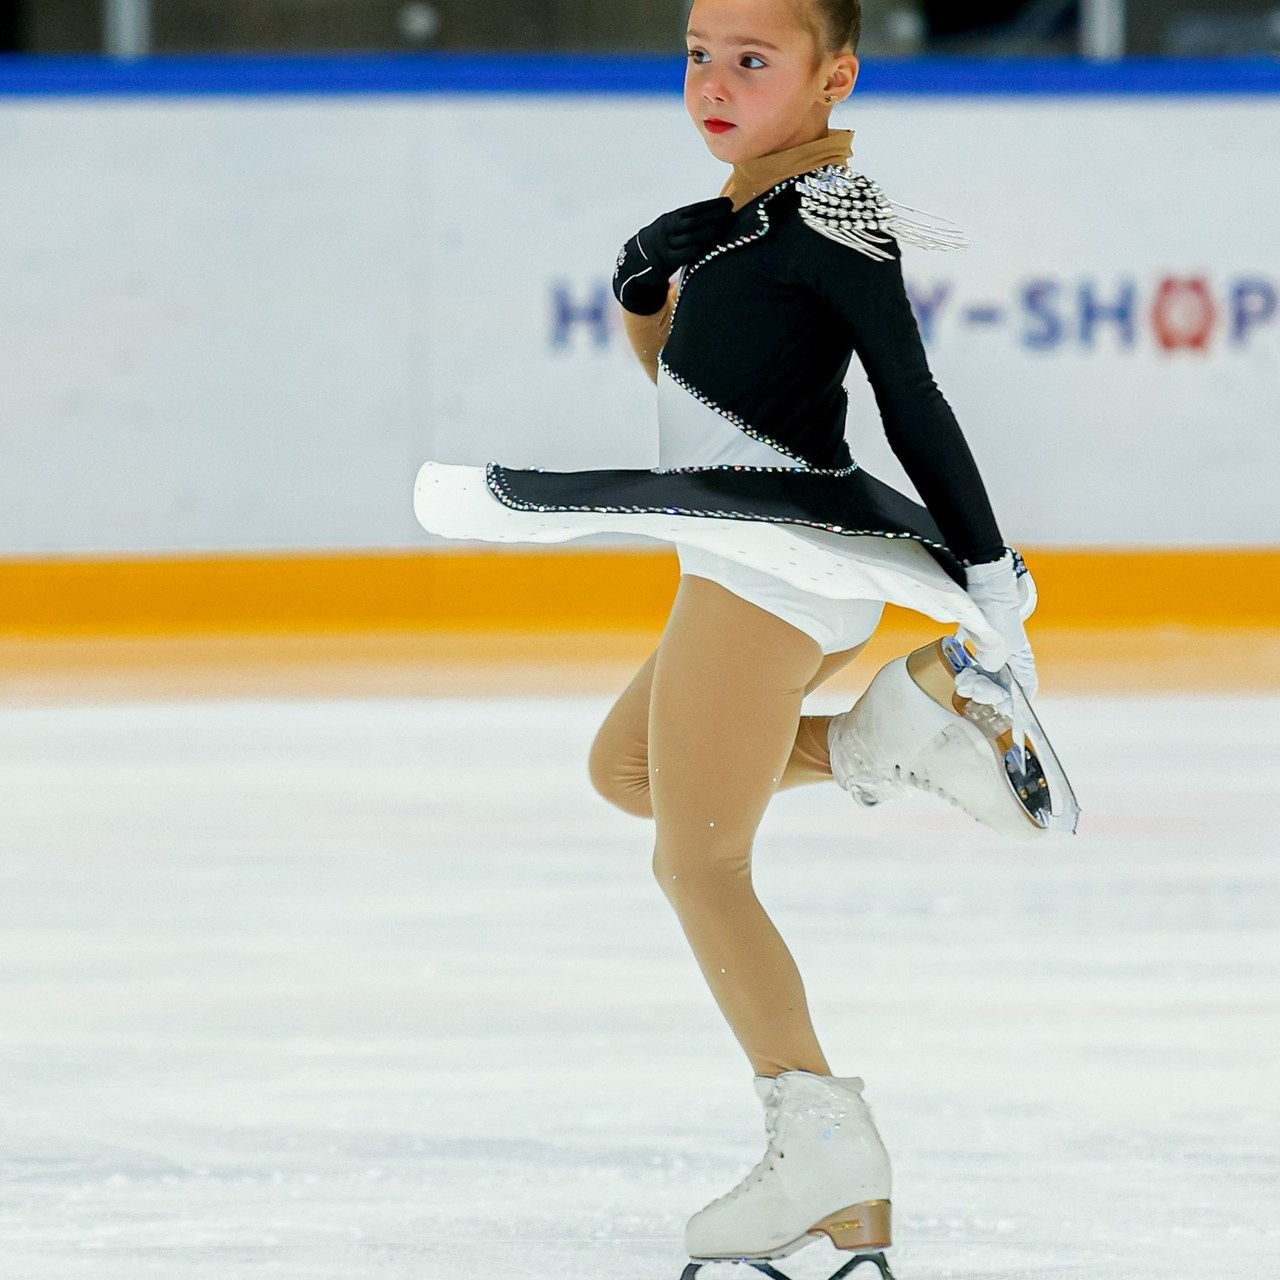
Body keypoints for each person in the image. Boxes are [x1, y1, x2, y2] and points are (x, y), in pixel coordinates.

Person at [414, 0, 1077, 1274]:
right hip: (740, 555)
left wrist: (988, 579)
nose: (712, 82)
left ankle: (821, 1144)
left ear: (835, 77)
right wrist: (640, 293)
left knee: (697, 864)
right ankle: (887, 733)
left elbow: (911, 398)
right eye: (697, 55)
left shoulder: (831, 218)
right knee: (627, 771)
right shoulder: (742, 218)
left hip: (772, 568)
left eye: (751, 61)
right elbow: (703, 399)